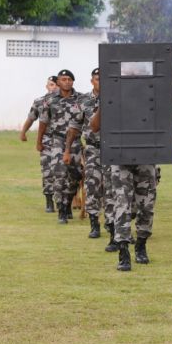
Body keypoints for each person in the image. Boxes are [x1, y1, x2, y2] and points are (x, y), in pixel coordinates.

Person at [90, 109, 157, 271]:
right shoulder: (113, 91)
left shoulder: (151, 89)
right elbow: (94, 126)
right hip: (119, 156)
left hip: (146, 156)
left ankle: (141, 244)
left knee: (146, 205)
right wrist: (104, 103)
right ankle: (123, 250)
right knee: (122, 203)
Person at [36, 70, 83, 224]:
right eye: (63, 79)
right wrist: (39, 141)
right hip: (56, 141)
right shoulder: (50, 101)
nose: (67, 82)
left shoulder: (81, 99)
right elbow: (43, 122)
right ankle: (61, 209)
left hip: (75, 142)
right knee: (59, 176)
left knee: (75, 177)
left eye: (70, 79)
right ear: (59, 82)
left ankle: (68, 202)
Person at [66, 68, 105, 239]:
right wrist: (67, 150)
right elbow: (74, 127)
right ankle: (94, 223)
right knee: (92, 185)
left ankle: (112, 224)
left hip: (114, 149)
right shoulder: (83, 101)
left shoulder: (118, 98)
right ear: (92, 81)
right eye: (97, 79)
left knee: (112, 187)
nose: (100, 82)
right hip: (92, 149)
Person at [20, 75, 58, 212]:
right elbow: (31, 118)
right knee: (48, 171)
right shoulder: (40, 102)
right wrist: (23, 132)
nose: (54, 87)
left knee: (66, 173)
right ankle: (49, 200)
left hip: (63, 140)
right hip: (47, 140)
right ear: (47, 86)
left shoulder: (68, 101)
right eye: (52, 84)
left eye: (56, 84)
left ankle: (66, 202)